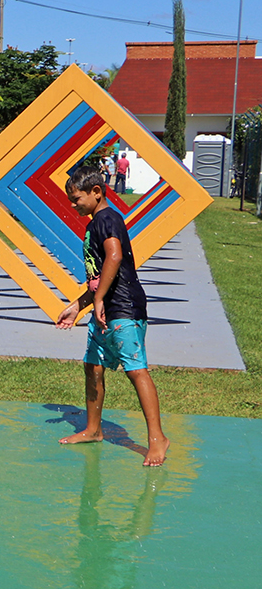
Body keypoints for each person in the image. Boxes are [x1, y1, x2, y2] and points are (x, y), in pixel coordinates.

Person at [55, 161, 168, 466]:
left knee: (136, 370)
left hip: (124, 308)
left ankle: (157, 439)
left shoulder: (107, 219)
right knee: (93, 366)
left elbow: (114, 257)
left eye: (76, 199)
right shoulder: (96, 223)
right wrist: (78, 305)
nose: (73, 205)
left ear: (96, 191)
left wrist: (100, 299)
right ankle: (93, 429)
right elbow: (99, 276)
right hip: (105, 308)